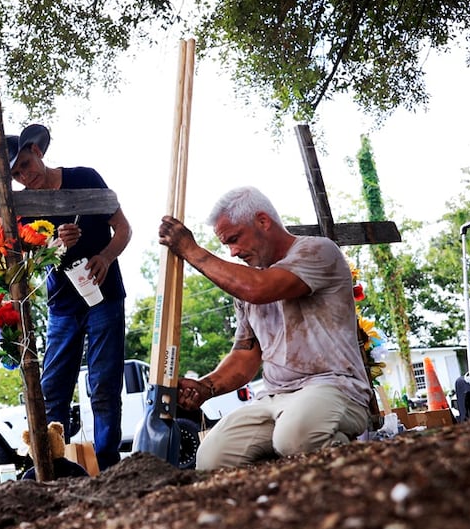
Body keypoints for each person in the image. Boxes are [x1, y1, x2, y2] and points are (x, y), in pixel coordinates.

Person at [157, 186, 371, 470]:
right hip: (275, 398)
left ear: (263, 221)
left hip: (335, 387)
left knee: (293, 439)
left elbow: (260, 289)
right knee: (211, 459)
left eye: (234, 239)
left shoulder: (318, 251)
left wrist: (190, 250)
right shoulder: (245, 284)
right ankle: (277, 493)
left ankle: (358, 467)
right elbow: (246, 356)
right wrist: (205, 387)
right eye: (227, 245)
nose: (233, 252)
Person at [8, 123, 132, 471]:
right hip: (62, 303)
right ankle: (51, 466)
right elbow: (26, 262)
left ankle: (108, 466)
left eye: (25, 166)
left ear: (38, 152)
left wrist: (106, 257)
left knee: (105, 382)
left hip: (104, 296)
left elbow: (124, 228)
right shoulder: (22, 204)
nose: (24, 177)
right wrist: (54, 245)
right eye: (15, 174)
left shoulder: (85, 176)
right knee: (54, 387)